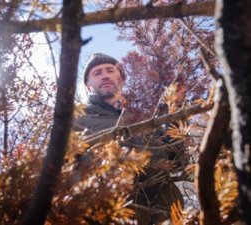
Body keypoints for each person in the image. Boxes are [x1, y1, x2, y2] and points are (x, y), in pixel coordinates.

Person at [74, 53, 183, 224]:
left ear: (122, 79)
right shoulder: (77, 122)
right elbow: (62, 172)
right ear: (88, 86)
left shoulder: (145, 119)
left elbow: (177, 161)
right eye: (97, 73)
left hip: (165, 215)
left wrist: (177, 114)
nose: (105, 75)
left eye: (110, 70)